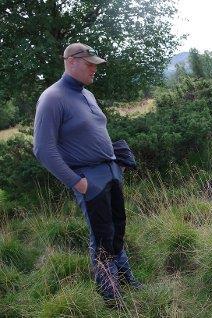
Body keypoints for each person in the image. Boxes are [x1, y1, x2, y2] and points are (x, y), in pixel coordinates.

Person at [33, 43, 141, 306]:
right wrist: (77, 182)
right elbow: (43, 149)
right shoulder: (52, 98)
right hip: (88, 180)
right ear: (71, 61)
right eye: (90, 63)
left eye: (96, 64)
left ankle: (125, 278)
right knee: (101, 234)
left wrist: (118, 163)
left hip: (110, 173)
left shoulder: (87, 95)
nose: (95, 68)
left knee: (116, 229)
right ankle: (110, 295)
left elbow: (92, 133)